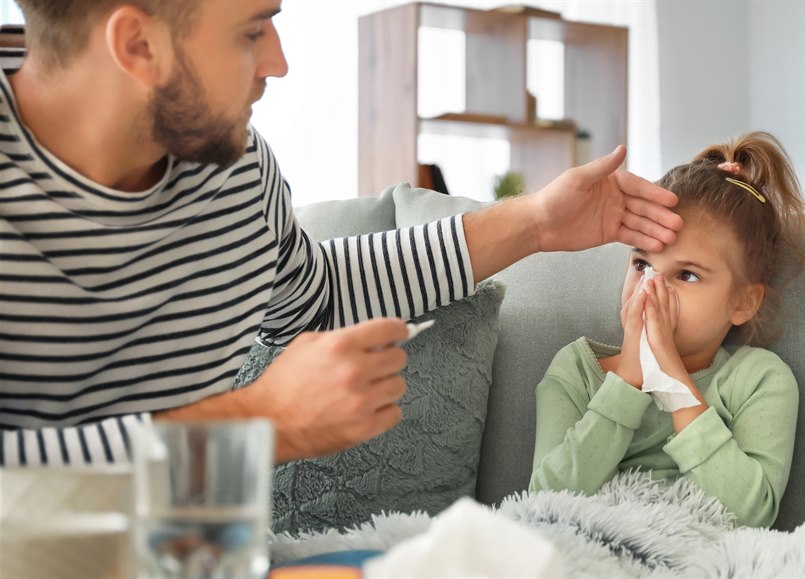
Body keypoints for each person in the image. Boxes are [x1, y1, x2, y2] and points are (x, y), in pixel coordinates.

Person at [0, 0, 685, 467]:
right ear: (138, 45)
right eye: (251, 29)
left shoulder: (234, 171)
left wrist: (535, 221)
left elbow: (317, 293)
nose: (278, 61)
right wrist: (253, 424)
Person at [529, 132, 805, 528]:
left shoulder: (758, 380)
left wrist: (675, 385)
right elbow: (542, 502)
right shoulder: (578, 369)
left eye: (687, 275)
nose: (651, 288)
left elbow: (752, 515)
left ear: (743, 302)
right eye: (642, 264)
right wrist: (628, 378)